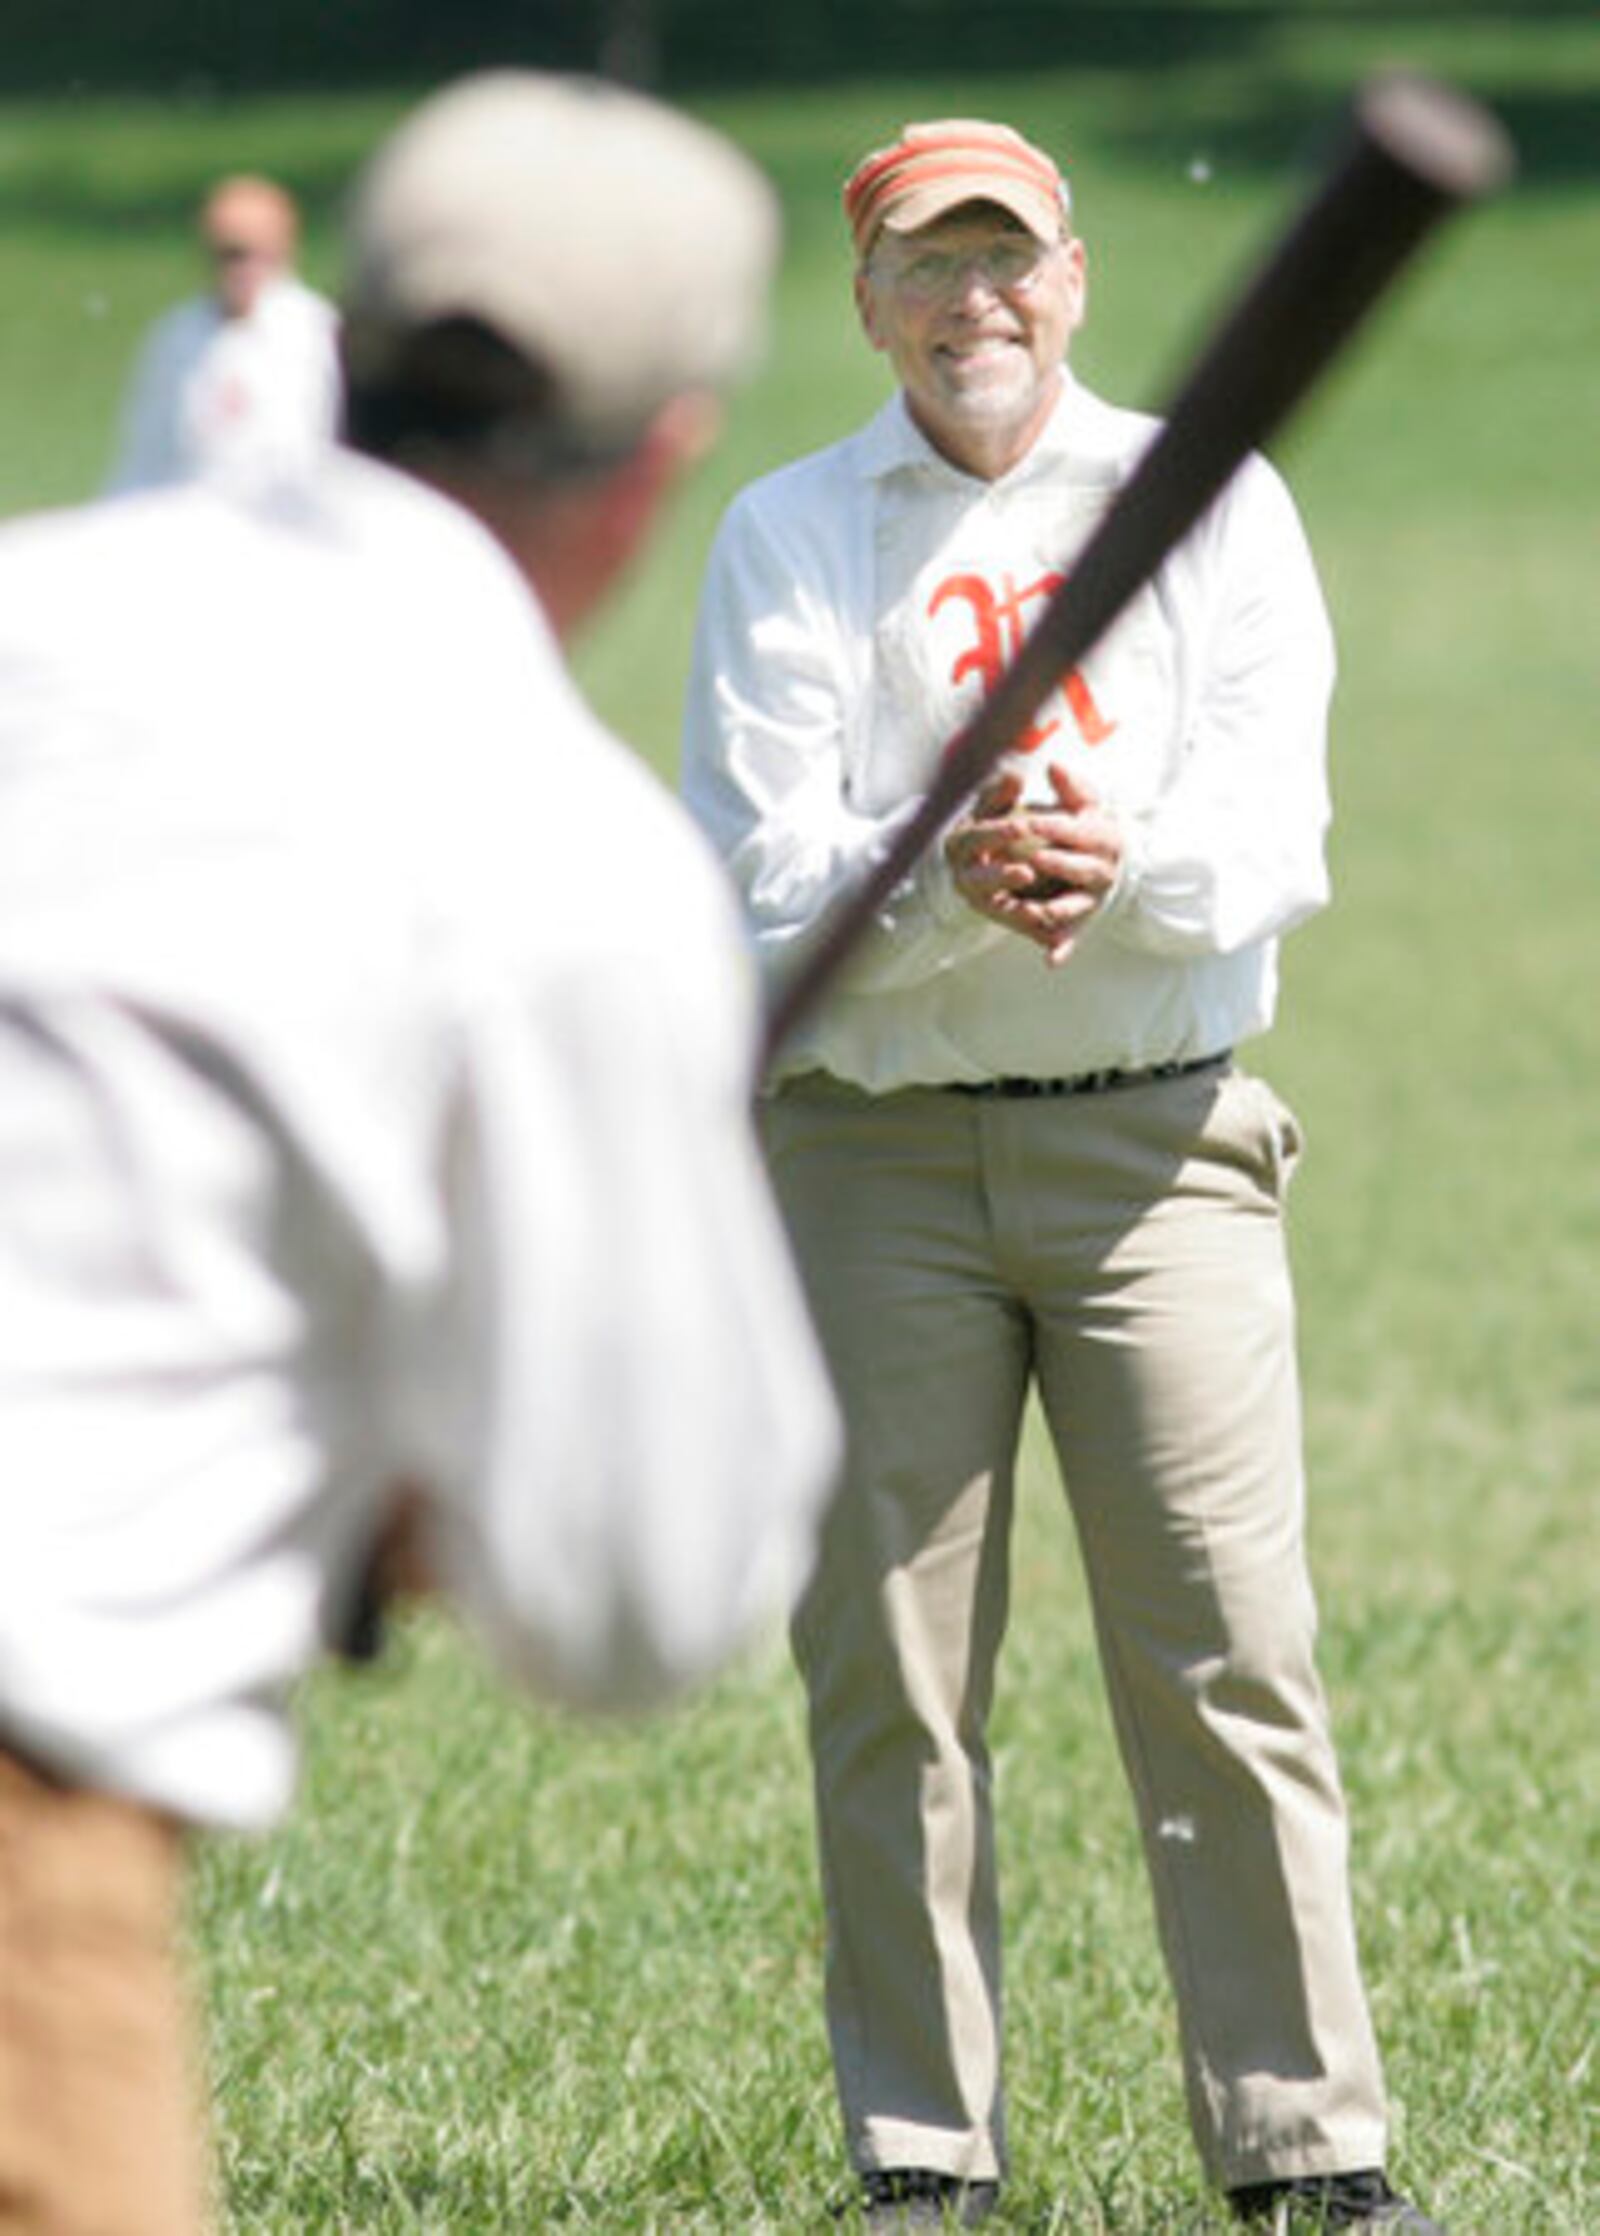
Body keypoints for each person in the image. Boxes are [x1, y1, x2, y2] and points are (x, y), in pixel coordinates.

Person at [0, 71, 840, 2235]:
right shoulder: (566, 863)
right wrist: (430, 1467)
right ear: (658, 460)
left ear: (337, 346)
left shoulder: (33, 599)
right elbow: (638, 1598)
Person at [682, 117, 1441, 2234]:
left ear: (1073, 276)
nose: (971, 301)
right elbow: (756, 875)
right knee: (889, 1680)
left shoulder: (1205, 501)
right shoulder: (791, 529)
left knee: (1227, 1659)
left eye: (1005, 257)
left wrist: (1115, 865)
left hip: (1154, 1145)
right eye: (926, 266)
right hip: (870, 1160)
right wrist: (942, 861)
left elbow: (1268, 830)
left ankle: (1306, 2149)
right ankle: (919, 2151)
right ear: (866, 304)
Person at [104, 172, 342, 491]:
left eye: (252, 253)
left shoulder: (318, 336)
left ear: (284, 249)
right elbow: (145, 456)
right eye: (227, 255)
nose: (240, 269)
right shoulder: (176, 337)